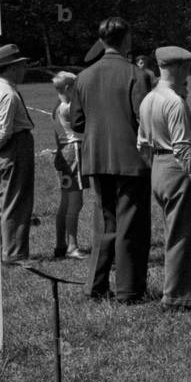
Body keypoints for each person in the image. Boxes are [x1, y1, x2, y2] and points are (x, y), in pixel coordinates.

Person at [70, 17, 154, 304]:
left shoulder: (83, 77)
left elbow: (77, 122)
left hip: (95, 158)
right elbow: (143, 118)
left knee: (104, 224)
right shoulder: (136, 75)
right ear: (126, 39)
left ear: (102, 41)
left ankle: (95, 285)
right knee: (132, 225)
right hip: (131, 158)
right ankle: (129, 290)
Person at [137, 46, 191, 312]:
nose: (189, 72)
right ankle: (179, 297)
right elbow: (180, 147)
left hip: (159, 166)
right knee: (185, 234)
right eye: (187, 67)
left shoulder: (149, 99)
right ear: (176, 68)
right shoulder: (174, 101)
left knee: (175, 231)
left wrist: (156, 167)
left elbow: (141, 142)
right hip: (178, 169)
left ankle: (184, 293)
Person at [0, 44, 36, 265]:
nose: (24, 70)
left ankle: (6, 249)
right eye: (21, 66)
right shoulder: (9, 94)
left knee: (5, 199)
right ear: (11, 68)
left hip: (2, 148)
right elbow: (3, 130)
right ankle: (14, 254)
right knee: (17, 201)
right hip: (14, 147)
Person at [51, 71, 88, 260]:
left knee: (65, 202)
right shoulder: (68, 107)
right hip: (74, 152)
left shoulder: (56, 107)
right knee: (75, 202)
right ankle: (72, 246)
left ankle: (60, 244)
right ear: (68, 88)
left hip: (63, 152)